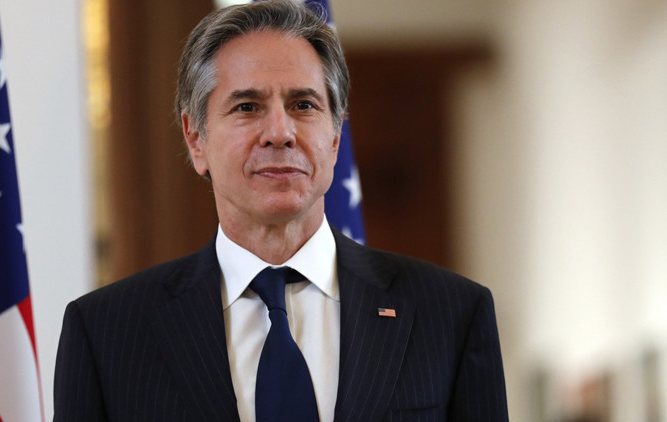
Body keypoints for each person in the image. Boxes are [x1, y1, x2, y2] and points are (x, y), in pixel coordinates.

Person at [53, 1, 508, 421]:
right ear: (196, 139)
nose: (280, 132)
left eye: (303, 105)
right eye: (248, 107)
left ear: (335, 137)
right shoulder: (106, 332)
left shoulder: (451, 314)